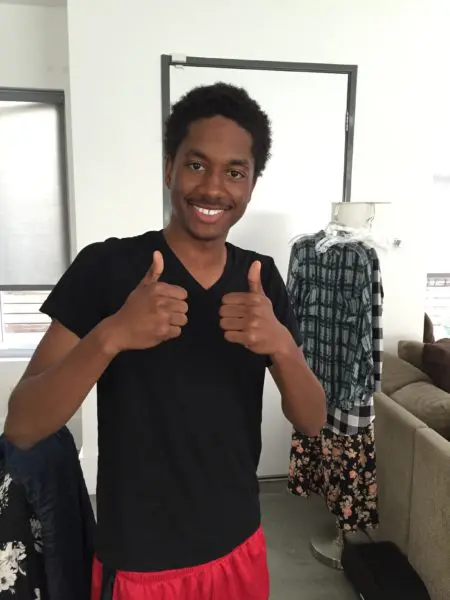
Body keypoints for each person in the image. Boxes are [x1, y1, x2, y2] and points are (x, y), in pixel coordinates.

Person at [5, 83, 326, 600]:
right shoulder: (107, 267)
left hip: (238, 545)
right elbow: (22, 426)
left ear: (251, 184)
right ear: (169, 168)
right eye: (197, 165)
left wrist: (283, 346)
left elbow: (312, 420)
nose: (214, 188)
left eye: (235, 172)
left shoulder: (261, 279)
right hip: (141, 563)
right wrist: (112, 334)